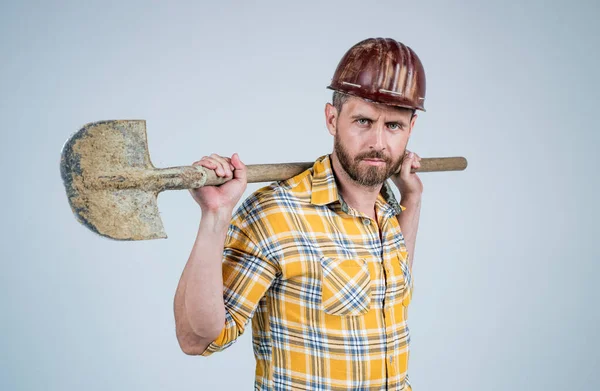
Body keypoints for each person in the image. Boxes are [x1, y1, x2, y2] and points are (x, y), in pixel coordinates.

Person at [174, 37, 426, 390]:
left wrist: (411, 199)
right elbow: (196, 338)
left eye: (394, 126)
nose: (378, 143)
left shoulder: (387, 206)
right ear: (332, 118)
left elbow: (392, 296)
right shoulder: (277, 214)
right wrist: (215, 215)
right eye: (364, 121)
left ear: (411, 129)